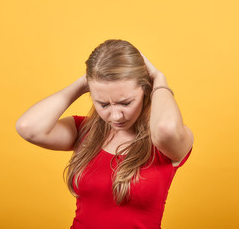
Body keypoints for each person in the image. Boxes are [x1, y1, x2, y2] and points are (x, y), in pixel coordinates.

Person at [15, 39, 194, 229]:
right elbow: (28, 127)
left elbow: (165, 129)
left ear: (145, 89)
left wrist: (159, 78)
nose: (116, 115)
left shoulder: (166, 143)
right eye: (104, 104)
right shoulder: (85, 130)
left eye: (125, 103)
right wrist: (87, 82)